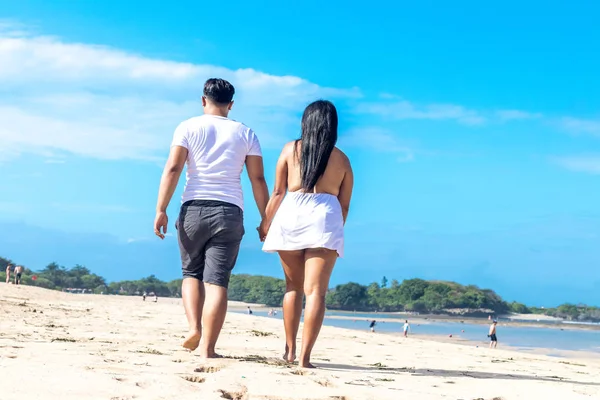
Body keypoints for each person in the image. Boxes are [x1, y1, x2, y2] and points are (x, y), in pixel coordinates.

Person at [154, 78, 269, 358]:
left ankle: (194, 327)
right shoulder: (246, 133)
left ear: (203, 100)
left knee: (191, 273)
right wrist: (266, 218)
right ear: (231, 104)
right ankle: (208, 349)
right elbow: (257, 178)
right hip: (229, 211)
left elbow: (173, 169)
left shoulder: (187, 127)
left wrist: (161, 209)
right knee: (217, 281)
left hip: (193, 207)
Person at [260, 100, 354, 368]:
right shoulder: (342, 159)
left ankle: (288, 351)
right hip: (325, 218)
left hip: (291, 214)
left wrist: (265, 224)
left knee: (293, 287)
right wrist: (334, 229)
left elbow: (278, 191)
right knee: (316, 293)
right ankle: (305, 358)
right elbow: (344, 204)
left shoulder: (291, 149)